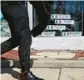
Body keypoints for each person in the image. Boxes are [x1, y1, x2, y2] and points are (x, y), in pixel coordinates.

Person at [1, 1, 52, 80]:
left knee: (17, 39)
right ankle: (25, 73)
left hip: (10, 7)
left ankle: (25, 73)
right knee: (25, 38)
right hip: (15, 6)